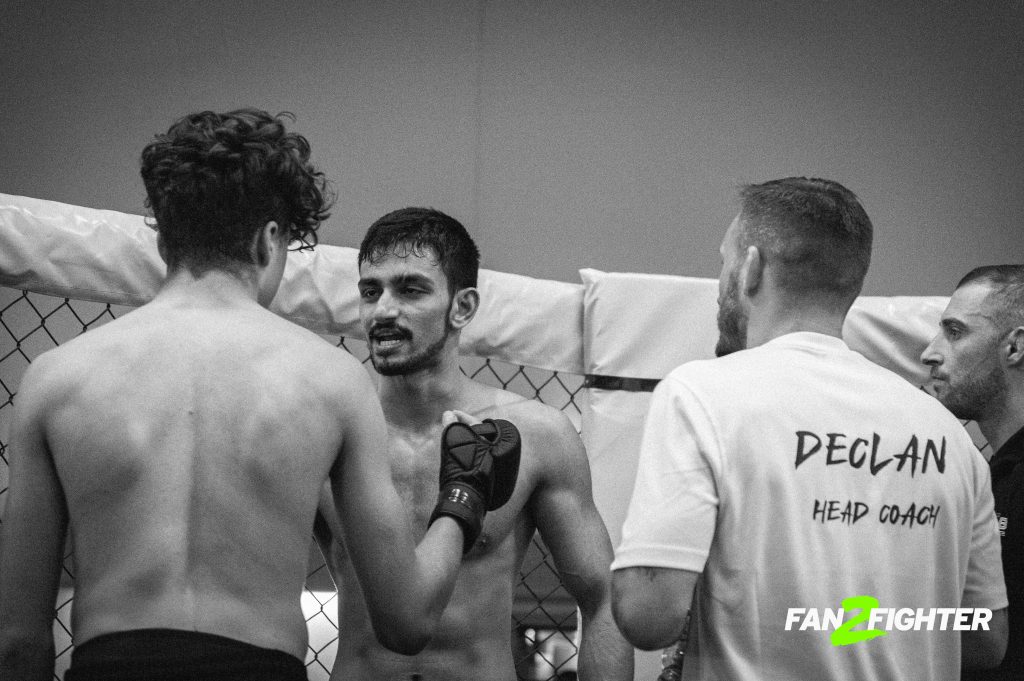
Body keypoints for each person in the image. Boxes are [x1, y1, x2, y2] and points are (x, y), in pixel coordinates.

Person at [0, 110, 515, 681]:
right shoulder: (331, 380)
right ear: (270, 239)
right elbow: (407, 622)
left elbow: (18, 643)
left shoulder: (55, 378)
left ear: (163, 235)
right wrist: (465, 494)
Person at [610, 177, 1008, 680]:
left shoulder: (702, 395)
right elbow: (983, 638)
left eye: (725, 261)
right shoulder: (947, 435)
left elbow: (650, 616)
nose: (723, 280)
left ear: (750, 267)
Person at [313, 207, 633, 681]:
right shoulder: (327, 431)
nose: (383, 310)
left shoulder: (537, 434)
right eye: (370, 290)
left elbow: (604, 598)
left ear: (462, 307)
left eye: (410, 289)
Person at [922, 264, 1024, 680]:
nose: (929, 352)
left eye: (955, 331)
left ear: (1015, 348)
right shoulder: (988, 470)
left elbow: (992, 636)